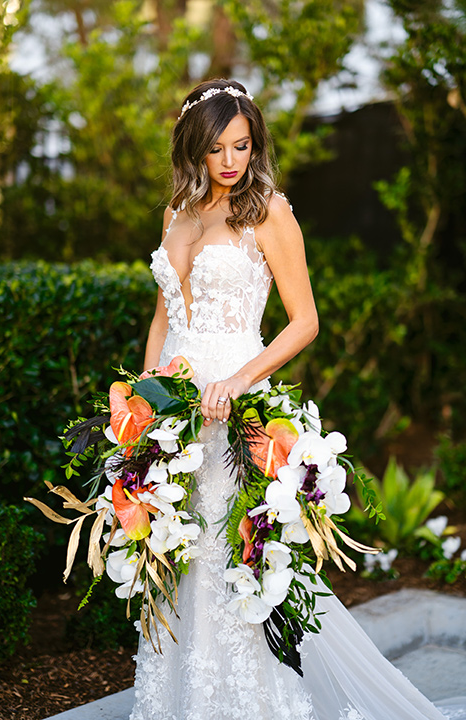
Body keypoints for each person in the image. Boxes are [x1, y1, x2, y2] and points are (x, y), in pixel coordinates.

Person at [130, 79, 464, 720]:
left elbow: (304, 320)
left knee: (243, 565)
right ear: (194, 149)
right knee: (176, 560)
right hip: (176, 419)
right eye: (217, 149)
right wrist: (145, 406)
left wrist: (239, 380)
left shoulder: (269, 212)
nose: (231, 162)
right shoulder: (177, 211)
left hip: (239, 408)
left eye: (243, 147)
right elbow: (162, 318)